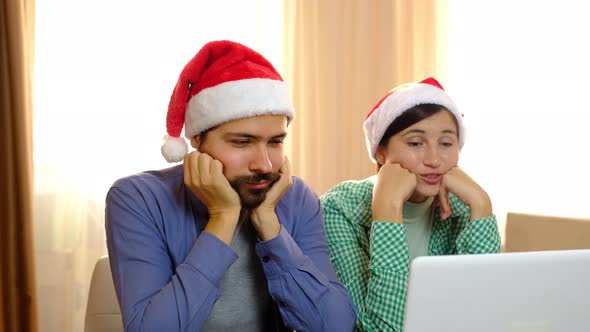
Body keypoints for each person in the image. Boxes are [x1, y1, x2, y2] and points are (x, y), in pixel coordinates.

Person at [105, 40, 356, 332]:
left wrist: (269, 224)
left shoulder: (296, 198)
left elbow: (335, 325)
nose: (263, 164)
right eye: (242, 142)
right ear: (196, 140)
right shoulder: (138, 199)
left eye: (275, 142)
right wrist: (222, 217)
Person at [320, 77, 501, 332]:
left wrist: (482, 205)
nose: (434, 160)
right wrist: (388, 209)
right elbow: (382, 329)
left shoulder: (463, 208)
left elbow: (486, 315)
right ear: (381, 151)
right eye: (416, 143)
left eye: (446, 143)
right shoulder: (340, 209)